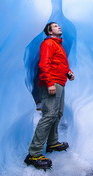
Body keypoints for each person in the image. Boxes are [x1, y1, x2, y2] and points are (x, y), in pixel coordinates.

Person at [24, 22, 75, 170]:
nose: (59, 27)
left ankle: (52, 142)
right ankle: (33, 153)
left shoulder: (58, 45)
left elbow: (58, 63)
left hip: (60, 82)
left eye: (58, 26)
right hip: (52, 83)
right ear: (49, 31)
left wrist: (68, 72)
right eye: (55, 26)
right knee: (49, 115)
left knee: (57, 114)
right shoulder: (48, 44)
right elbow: (44, 64)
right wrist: (49, 82)